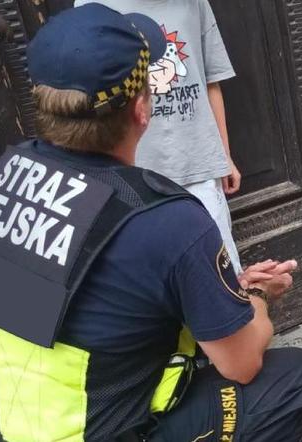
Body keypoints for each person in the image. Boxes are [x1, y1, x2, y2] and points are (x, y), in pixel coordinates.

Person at [0, 4, 302, 441]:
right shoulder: (168, 220)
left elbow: (81, 303)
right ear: (143, 109)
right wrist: (255, 294)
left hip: (5, 426)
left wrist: (211, 290)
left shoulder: (10, 176)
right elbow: (241, 364)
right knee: (300, 379)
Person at [74, 0, 244, 275]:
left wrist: (223, 155)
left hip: (198, 164)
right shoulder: (91, 6)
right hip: (132, 174)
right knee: (155, 275)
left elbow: (211, 81)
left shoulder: (193, 4)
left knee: (220, 271)